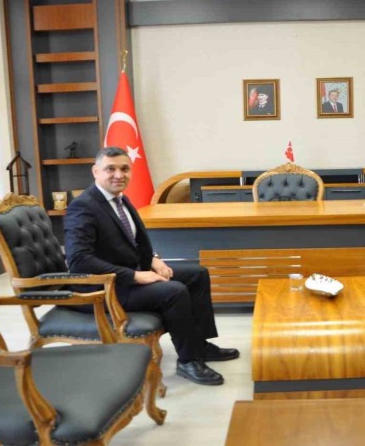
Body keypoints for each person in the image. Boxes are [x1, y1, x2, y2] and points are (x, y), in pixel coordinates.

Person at [64, 147, 240, 386]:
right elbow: (79, 260)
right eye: (110, 169)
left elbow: (133, 242)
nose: (119, 175)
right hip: (102, 288)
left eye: (124, 169)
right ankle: (188, 360)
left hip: (126, 274)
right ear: (96, 171)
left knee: (197, 274)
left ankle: (200, 345)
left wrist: (153, 259)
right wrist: (135, 275)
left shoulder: (120, 199)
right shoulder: (83, 206)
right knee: (174, 291)